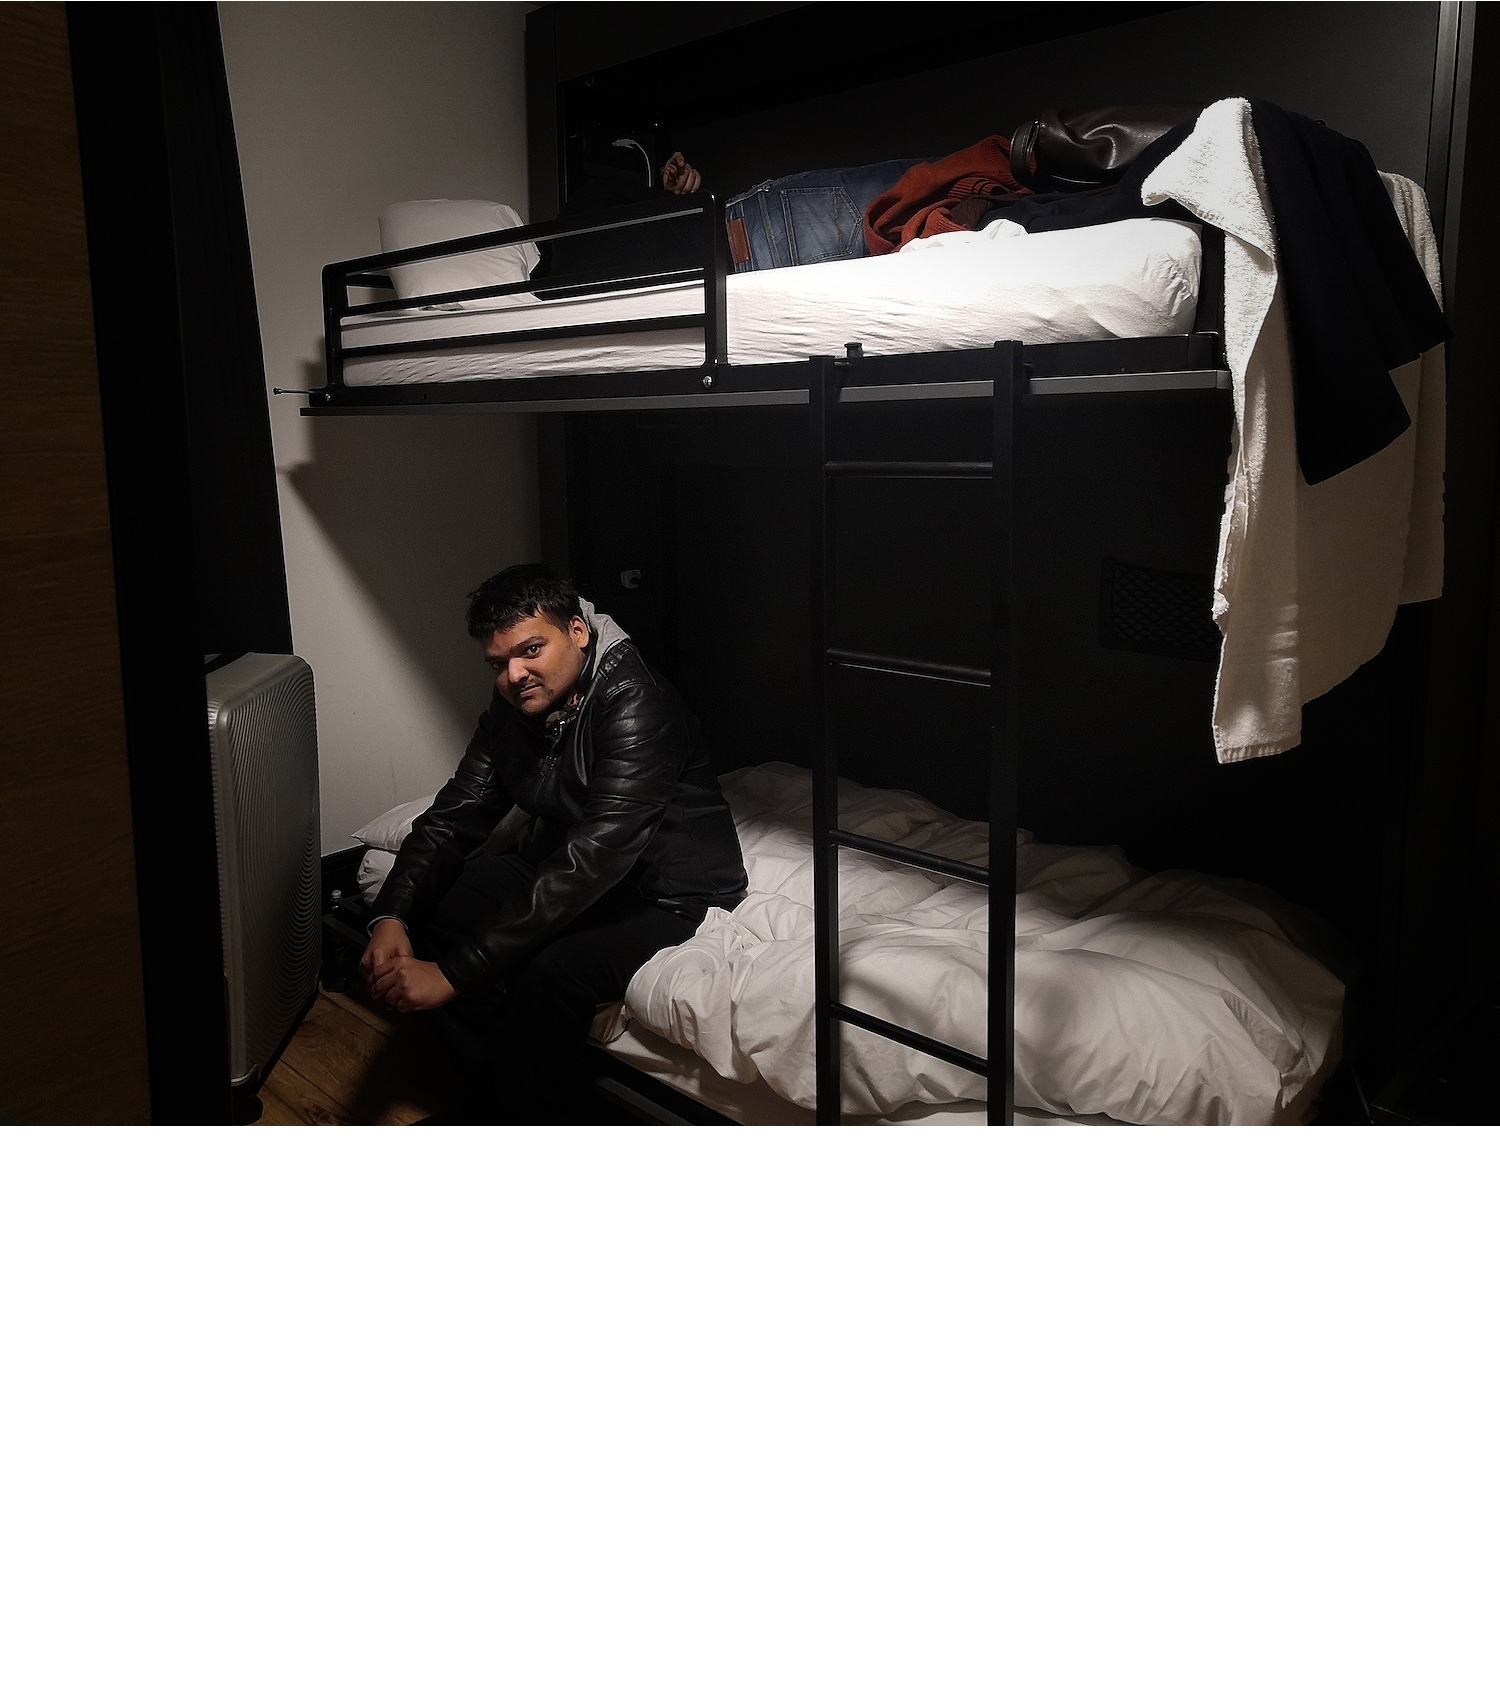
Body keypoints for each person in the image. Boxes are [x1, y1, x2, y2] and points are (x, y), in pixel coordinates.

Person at [359, 564, 747, 1123]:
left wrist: (452, 975)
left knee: (552, 973)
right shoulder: (518, 703)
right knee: (435, 908)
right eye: (499, 663)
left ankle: (522, 1113)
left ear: (579, 632)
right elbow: (457, 812)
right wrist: (392, 915)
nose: (515, 675)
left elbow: (595, 858)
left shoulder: (638, 703)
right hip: (566, 860)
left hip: (665, 891)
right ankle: (500, 1092)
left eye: (531, 650)